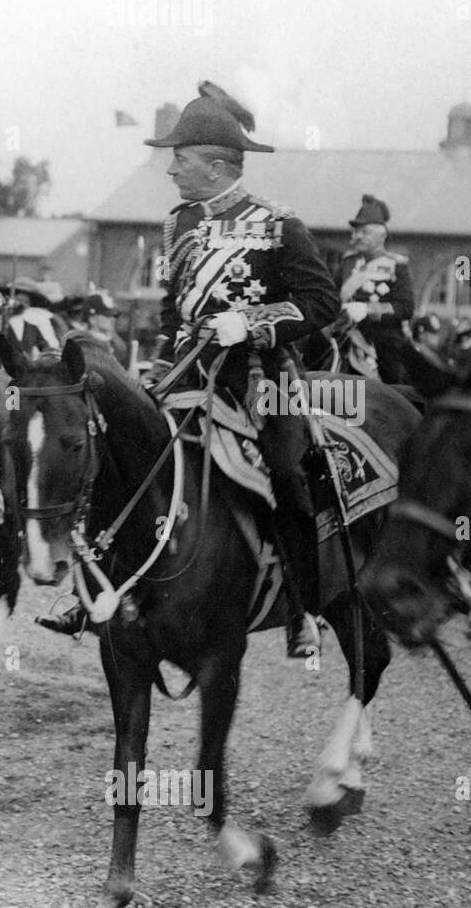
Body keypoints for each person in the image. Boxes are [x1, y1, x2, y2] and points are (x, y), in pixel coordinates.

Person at [145, 81, 339, 658]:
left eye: (179, 161)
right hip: (186, 373)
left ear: (217, 166)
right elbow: (167, 310)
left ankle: (305, 608)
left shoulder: (280, 225)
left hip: (262, 379)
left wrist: (252, 323)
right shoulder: (176, 225)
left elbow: (321, 302)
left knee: (286, 476)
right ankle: (117, 586)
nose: (171, 172)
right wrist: (156, 366)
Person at [334, 194, 415, 384]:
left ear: (382, 235)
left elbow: (406, 307)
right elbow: (332, 296)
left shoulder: (397, 265)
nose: (358, 236)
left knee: (393, 389)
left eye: (365, 231)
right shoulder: (347, 263)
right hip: (345, 339)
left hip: (382, 343)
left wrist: (368, 310)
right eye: (357, 231)